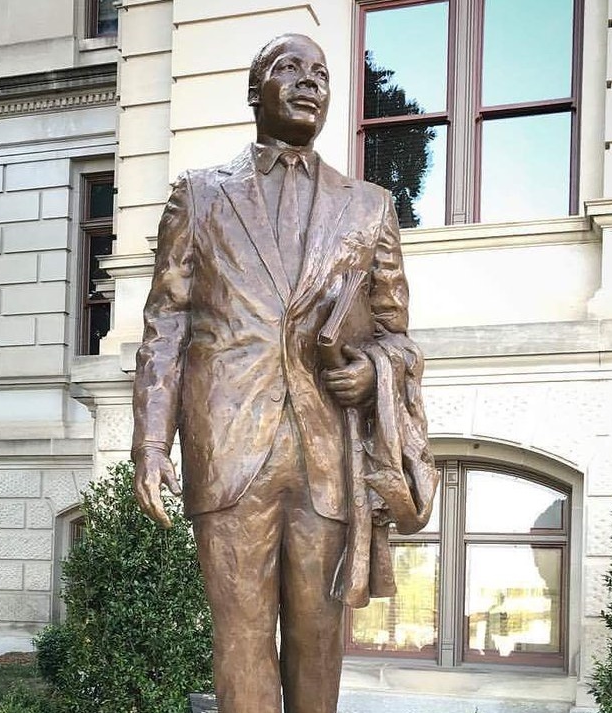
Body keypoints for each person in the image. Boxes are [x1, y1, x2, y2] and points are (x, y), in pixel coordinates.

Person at [131, 33, 435, 713]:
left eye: (321, 73)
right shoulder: (199, 196)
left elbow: (398, 337)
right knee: (239, 636)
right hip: (228, 443)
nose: (309, 81)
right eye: (288, 68)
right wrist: (151, 443)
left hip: (326, 451)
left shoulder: (369, 206)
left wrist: (371, 370)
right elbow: (165, 327)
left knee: (319, 637)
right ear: (254, 92)